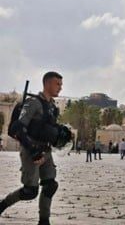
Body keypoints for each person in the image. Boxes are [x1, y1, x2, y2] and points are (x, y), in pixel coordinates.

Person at [0, 72, 72, 225]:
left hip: (45, 151)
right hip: (30, 149)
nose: (60, 87)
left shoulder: (52, 106)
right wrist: (32, 150)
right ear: (47, 84)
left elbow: (46, 127)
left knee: (50, 185)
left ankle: (44, 221)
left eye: (61, 84)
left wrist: (60, 133)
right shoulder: (33, 103)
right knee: (29, 191)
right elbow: (19, 128)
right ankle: (2, 205)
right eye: (57, 84)